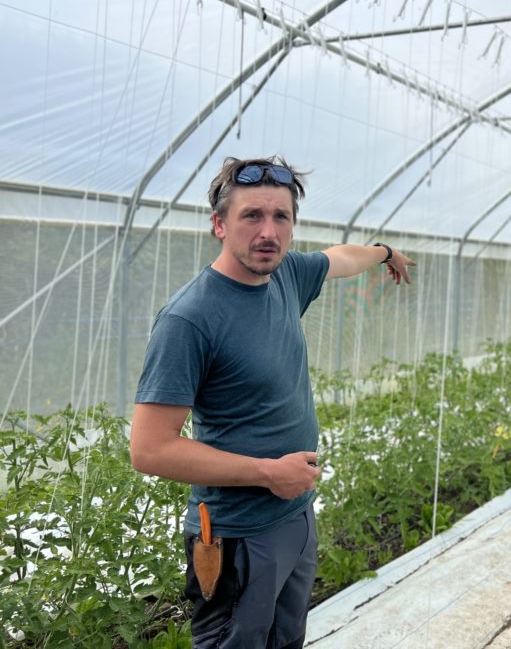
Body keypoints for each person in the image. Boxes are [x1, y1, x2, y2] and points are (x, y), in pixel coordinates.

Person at [130, 156, 414, 649]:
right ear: (220, 224)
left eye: (281, 217)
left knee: (287, 640)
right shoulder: (191, 319)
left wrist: (384, 251)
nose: (269, 232)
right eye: (251, 216)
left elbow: (340, 258)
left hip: (296, 517)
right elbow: (149, 449)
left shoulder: (285, 277)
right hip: (238, 535)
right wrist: (267, 473)